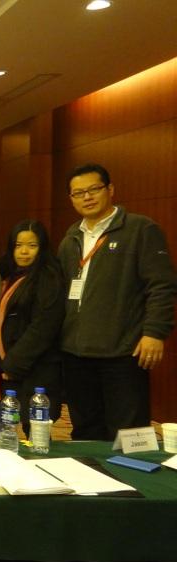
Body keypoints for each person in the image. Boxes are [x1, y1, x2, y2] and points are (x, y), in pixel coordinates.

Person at [58, 163, 176, 440]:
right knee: (86, 431)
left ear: (110, 189)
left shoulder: (139, 229)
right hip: (75, 352)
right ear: (71, 199)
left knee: (129, 435)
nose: (87, 197)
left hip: (122, 351)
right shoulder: (70, 238)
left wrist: (154, 333)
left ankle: (132, 471)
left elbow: (162, 285)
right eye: (78, 193)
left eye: (94, 189)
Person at [0, 219, 65, 438]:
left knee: (35, 431)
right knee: (5, 426)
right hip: (10, 366)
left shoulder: (48, 277)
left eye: (32, 245)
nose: (23, 251)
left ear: (42, 248)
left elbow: (43, 327)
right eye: (18, 245)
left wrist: (14, 362)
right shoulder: (11, 274)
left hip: (34, 368)